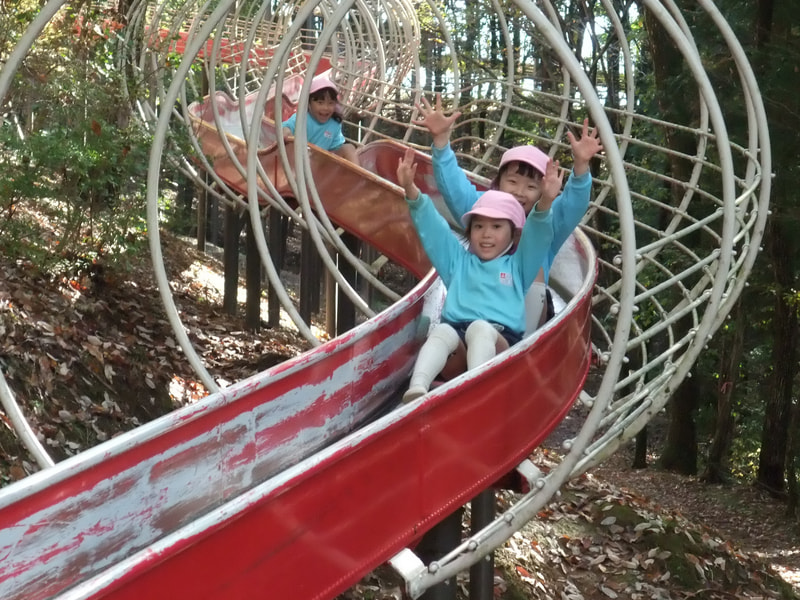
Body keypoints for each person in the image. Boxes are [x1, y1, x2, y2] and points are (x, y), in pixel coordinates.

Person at [413, 93, 603, 335]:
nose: (520, 192)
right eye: (512, 181)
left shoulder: (547, 220)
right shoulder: (484, 208)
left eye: (532, 187)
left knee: (533, 266)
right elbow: (454, 188)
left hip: (525, 316)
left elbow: (573, 206)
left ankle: (522, 346)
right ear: (498, 181)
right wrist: (441, 141)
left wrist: (581, 167)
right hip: (475, 310)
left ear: (543, 189)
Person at [397, 147, 562, 404]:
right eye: (479, 226)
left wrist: (546, 203)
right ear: (470, 231)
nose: (486, 234)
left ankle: (477, 388)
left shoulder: (519, 267)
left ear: (513, 234)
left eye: (497, 227)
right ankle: (417, 387)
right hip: (458, 338)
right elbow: (434, 228)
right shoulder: (458, 262)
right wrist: (412, 192)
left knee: (480, 328)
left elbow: (538, 234)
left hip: (500, 341)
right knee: (441, 333)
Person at [282, 75, 359, 165]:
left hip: (321, 165)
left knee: (349, 148)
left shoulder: (334, 124)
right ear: (309, 104)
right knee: (289, 140)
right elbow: (285, 128)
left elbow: (336, 148)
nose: (326, 108)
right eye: (320, 103)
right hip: (299, 163)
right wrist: (287, 132)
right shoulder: (302, 118)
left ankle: (359, 177)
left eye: (330, 103)